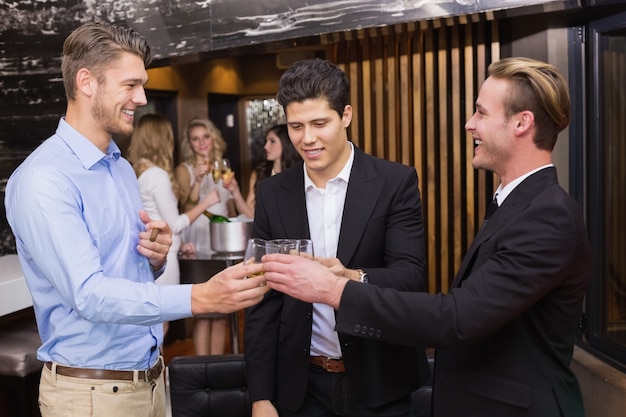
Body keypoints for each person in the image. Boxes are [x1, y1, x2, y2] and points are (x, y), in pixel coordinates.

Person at [262, 57, 593, 417]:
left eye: (481, 113)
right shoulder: (517, 203)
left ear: (521, 123)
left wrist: (333, 290)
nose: (470, 124)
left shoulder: (548, 216)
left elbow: (457, 319)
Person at [3, 21, 267, 417]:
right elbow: (90, 294)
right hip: (90, 395)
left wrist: (154, 259)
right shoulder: (44, 178)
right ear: (86, 81)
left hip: (148, 380)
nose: (142, 98)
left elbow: (124, 273)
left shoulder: (121, 168)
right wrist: (199, 297)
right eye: (131, 85)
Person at [244, 58, 429, 417]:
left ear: (345, 115)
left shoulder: (394, 183)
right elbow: (263, 303)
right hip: (301, 386)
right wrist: (260, 395)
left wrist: (350, 277)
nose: (307, 139)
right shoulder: (272, 193)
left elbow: (411, 277)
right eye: (295, 126)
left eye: (319, 123)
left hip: (379, 381)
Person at [127, 113, 221, 336]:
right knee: (161, 324)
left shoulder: (138, 171)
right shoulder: (157, 175)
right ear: (161, 140)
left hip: (155, 251)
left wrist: (181, 244)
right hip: (164, 258)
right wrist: (206, 203)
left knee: (154, 324)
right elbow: (174, 224)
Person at [175, 118, 252, 355]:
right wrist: (198, 180)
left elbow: (231, 212)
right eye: (195, 139)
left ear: (213, 138)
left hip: (221, 241)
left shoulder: (223, 169)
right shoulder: (184, 169)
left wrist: (234, 193)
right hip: (197, 240)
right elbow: (183, 207)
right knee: (203, 312)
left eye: (205, 137)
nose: (201, 143)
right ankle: (201, 369)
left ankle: (216, 370)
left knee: (220, 315)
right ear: (190, 143)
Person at [245, 124, 301, 213]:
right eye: (266, 141)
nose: (266, 146)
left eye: (272, 141)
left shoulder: (299, 173)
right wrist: (235, 191)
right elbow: (250, 213)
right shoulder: (259, 173)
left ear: (285, 143)